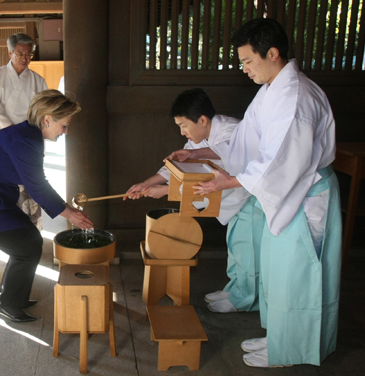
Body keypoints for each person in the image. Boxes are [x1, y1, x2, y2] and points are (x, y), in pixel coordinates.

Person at [189, 18, 342, 367]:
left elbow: (282, 158)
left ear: (272, 53)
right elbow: (247, 141)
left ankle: (294, 350)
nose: (244, 69)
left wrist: (228, 182)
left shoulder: (296, 96)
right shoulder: (271, 91)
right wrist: (208, 159)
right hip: (286, 194)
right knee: (279, 272)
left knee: (299, 276)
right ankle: (281, 337)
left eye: (247, 61)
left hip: (304, 196)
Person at [0, 90, 94, 323]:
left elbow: (36, 183)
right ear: (48, 119)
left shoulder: (27, 135)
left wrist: (67, 209)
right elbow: (38, 186)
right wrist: (71, 214)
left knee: (28, 240)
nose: (65, 132)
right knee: (27, 245)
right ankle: (7, 303)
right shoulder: (25, 140)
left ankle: (10, 297)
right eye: (64, 126)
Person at [126, 88, 259, 313]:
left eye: (183, 126)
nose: (182, 132)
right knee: (236, 248)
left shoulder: (233, 131)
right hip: (232, 203)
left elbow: (214, 171)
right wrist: (146, 184)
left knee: (248, 251)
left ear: (202, 119)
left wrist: (166, 191)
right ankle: (235, 289)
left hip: (248, 199)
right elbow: (177, 168)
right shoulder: (198, 139)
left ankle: (244, 299)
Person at [0, 33, 48, 231]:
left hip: (28, 138)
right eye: (20, 53)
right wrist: (9, 129)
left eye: (28, 54)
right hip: (3, 138)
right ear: (10, 52)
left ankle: (32, 226)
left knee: (31, 182)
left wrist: (27, 133)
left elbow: (43, 110)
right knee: (7, 183)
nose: (24, 58)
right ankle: (8, 227)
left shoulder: (38, 80)